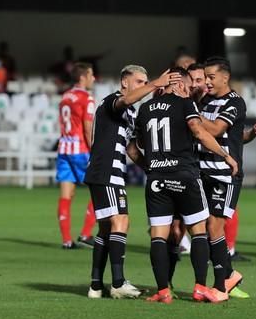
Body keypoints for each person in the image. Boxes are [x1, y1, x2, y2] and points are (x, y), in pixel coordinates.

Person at [132, 66, 239, 304]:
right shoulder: (185, 104)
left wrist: (150, 166)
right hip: (185, 176)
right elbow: (199, 132)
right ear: (179, 84)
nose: (190, 89)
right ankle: (200, 287)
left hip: (156, 179)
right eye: (188, 84)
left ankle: (163, 291)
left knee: (159, 237)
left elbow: (137, 144)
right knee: (198, 231)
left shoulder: (145, 108)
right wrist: (225, 155)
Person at [85, 65, 180, 299]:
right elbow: (125, 102)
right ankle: (118, 283)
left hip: (112, 172)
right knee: (121, 221)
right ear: (124, 82)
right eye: (139, 81)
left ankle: (96, 285)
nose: (143, 85)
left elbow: (132, 150)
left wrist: (153, 168)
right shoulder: (113, 101)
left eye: (145, 81)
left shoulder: (131, 114)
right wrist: (156, 83)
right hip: (105, 171)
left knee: (107, 227)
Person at [197, 56, 256, 298]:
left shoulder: (235, 102)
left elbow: (215, 130)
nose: (207, 82)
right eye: (205, 77)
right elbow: (237, 138)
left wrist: (190, 113)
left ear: (225, 77)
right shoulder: (204, 100)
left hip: (225, 174)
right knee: (201, 227)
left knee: (214, 226)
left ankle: (221, 284)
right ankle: (227, 275)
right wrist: (251, 134)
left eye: (211, 77)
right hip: (202, 170)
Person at [56, 62, 97, 249]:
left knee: (66, 194)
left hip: (64, 149)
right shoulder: (86, 98)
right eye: (91, 75)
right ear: (83, 77)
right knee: (99, 190)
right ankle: (86, 234)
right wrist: (95, 150)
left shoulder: (65, 96)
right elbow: (88, 127)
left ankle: (66, 240)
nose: (93, 78)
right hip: (80, 150)